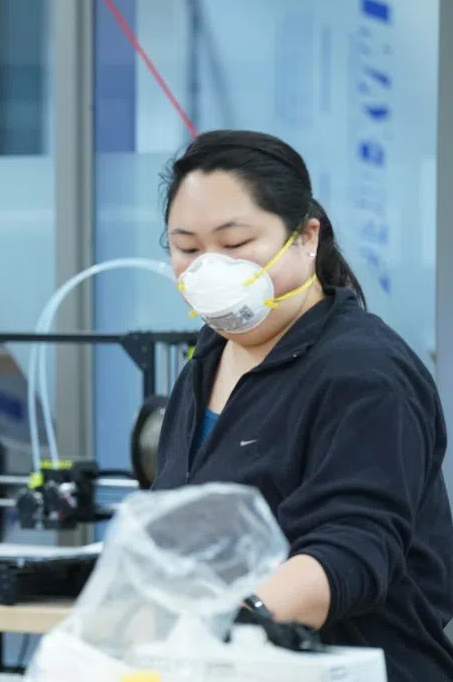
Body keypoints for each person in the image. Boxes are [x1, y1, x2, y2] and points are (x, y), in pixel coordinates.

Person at [151, 130, 453, 681]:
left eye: (236, 243)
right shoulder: (208, 358)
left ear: (306, 236)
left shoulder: (365, 371)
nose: (208, 268)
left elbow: (355, 548)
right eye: (188, 248)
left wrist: (231, 622)